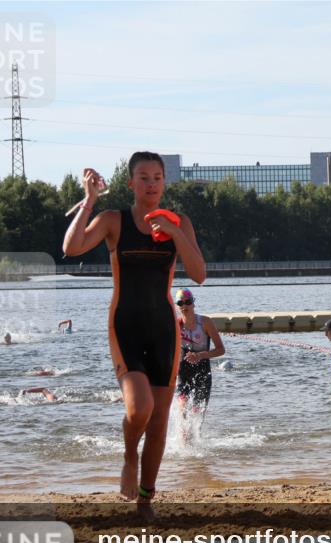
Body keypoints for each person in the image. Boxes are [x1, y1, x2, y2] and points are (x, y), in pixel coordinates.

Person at [62, 151, 207, 516]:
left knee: (159, 421)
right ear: (131, 183)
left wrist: (175, 232)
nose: (152, 184)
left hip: (163, 330)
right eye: (144, 177)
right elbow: (71, 247)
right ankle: (129, 457)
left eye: (157, 177)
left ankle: (146, 498)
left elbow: (199, 274)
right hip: (125, 325)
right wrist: (90, 200)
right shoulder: (114, 220)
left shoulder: (179, 222)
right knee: (139, 406)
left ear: (164, 182)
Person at [174, 288, 225, 433]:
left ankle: (196, 451)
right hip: (183, 374)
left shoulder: (205, 323)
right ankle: (184, 449)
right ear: (177, 307)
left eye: (188, 302)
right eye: (180, 303)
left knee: (196, 417)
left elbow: (221, 350)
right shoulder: (176, 325)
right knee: (182, 413)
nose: (184, 306)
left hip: (202, 373)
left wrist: (200, 355)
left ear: (193, 303)